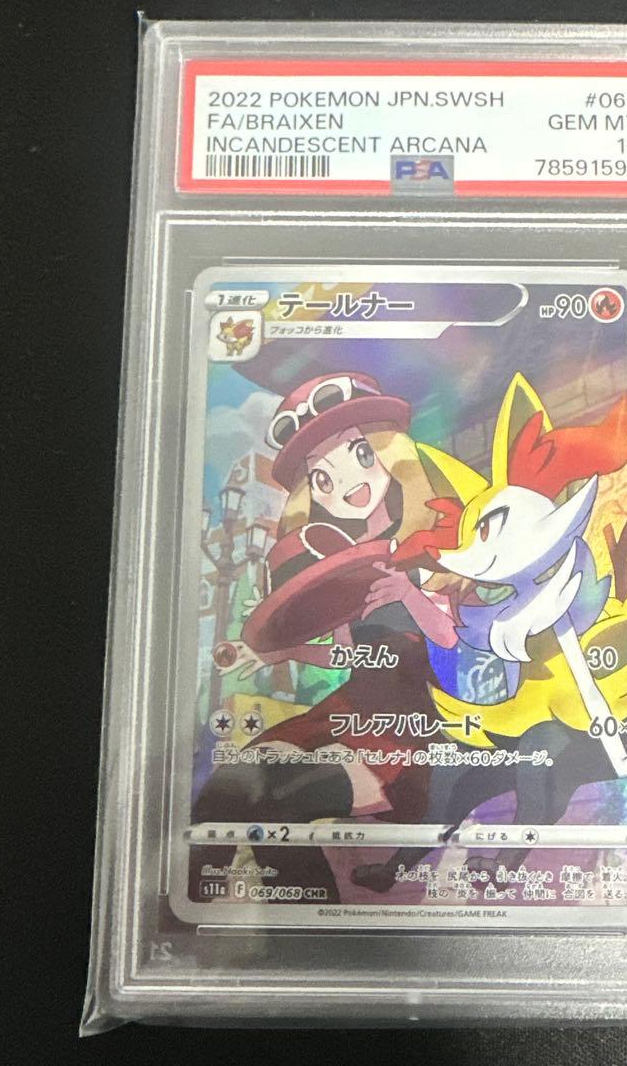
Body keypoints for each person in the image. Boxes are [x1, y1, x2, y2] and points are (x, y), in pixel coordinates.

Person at [193, 372, 459, 903]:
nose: (344, 483)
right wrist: (280, 650)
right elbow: (347, 654)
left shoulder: (434, 546)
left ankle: (310, 927)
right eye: (321, 478)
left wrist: (408, 593)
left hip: (410, 733)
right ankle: (192, 914)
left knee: (280, 803)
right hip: (347, 713)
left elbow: (454, 648)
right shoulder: (340, 562)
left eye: (359, 453)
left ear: (390, 450)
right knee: (226, 791)